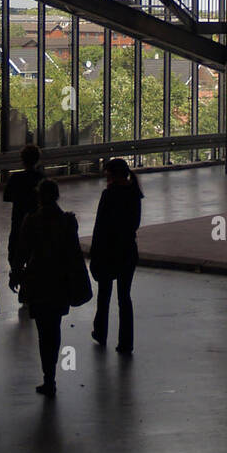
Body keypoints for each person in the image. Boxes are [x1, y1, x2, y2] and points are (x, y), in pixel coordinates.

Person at [19, 178, 88, 396]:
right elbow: (74, 254)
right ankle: (51, 375)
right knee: (54, 329)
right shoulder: (67, 221)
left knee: (42, 332)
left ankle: (48, 376)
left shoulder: (31, 220)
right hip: (59, 281)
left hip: (38, 281)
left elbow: (22, 251)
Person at [90, 158, 142, 354]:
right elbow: (134, 223)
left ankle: (101, 332)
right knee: (124, 298)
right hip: (127, 250)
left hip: (107, 251)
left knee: (104, 295)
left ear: (112, 174)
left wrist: (95, 253)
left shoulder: (109, 194)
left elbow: (100, 226)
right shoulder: (134, 193)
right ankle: (126, 342)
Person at [5, 144, 44, 292]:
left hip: (18, 222)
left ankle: (20, 278)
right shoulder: (41, 178)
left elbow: (7, 196)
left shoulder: (16, 178)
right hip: (37, 222)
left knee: (14, 253)